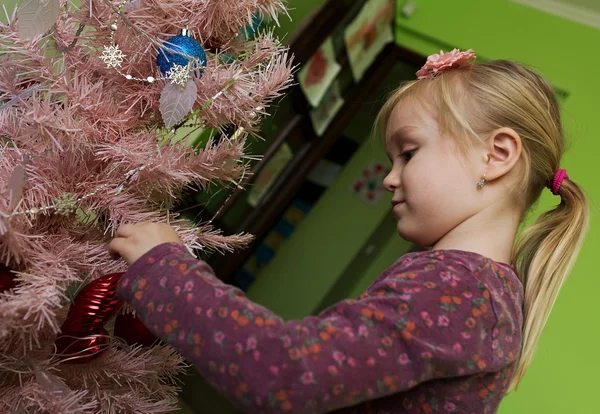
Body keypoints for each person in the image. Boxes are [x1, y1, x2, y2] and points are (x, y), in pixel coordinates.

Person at [108, 49, 589, 413]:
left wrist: (166, 270)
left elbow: (286, 372)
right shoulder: (481, 292)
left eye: (409, 152)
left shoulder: (461, 291)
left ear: (497, 155)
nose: (389, 177)